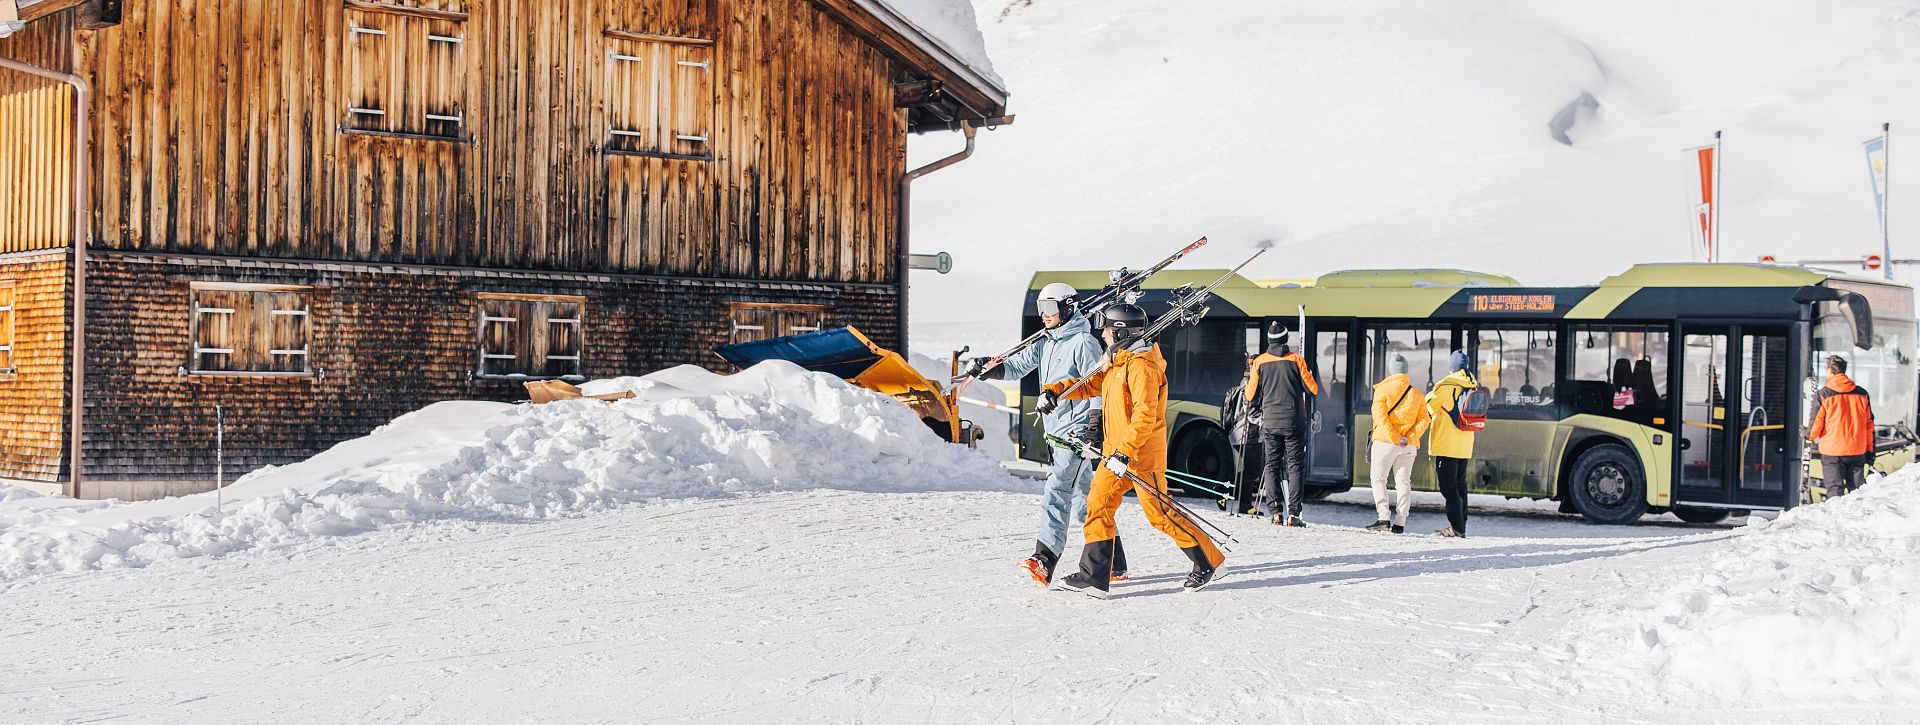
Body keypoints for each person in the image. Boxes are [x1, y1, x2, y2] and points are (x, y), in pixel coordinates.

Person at [1037, 303, 1226, 599]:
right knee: (1097, 505)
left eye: (1107, 328)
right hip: (1115, 455)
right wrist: (1056, 391)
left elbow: (1144, 415)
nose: (1103, 333)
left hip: (1139, 457)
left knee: (1160, 514)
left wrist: (1124, 453)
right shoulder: (1118, 362)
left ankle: (1209, 561)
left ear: (1121, 331)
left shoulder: (1142, 367)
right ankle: (1094, 576)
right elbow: (1090, 383)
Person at [963, 282, 1126, 586]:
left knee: (1056, 494)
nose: (1044, 315)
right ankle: (1114, 563)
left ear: (1067, 307)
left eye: (1050, 309)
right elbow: (1016, 367)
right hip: (1056, 433)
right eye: (1040, 309)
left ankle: (1045, 559)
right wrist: (988, 368)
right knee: (1084, 502)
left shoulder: (1083, 343)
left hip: (1075, 435)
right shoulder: (1046, 343)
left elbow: (1100, 387)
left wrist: (1093, 429)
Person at [1246, 322, 1319, 526]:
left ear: (1269, 340)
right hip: (1294, 422)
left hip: (1270, 422)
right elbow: (1313, 389)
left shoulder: (1259, 362)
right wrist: (1308, 374)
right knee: (1294, 466)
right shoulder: (1296, 360)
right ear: (1286, 340)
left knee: (1272, 465)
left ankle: (1275, 512)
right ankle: (1293, 514)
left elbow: (1250, 394)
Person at [1367, 355, 1428, 533]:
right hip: (1408, 446)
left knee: (1378, 479)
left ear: (1391, 370)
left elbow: (1381, 418)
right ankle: (1400, 522)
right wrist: (1408, 437)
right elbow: (1424, 419)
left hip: (1385, 443)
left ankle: (1383, 518)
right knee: (1403, 483)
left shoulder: (1382, 391)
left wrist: (1395, 437)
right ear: (1405, 370)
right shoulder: (1416, 394)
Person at [1426, 350, 1478, 538]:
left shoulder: (1446, 387)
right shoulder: (1471, 384)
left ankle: (1456, 529)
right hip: (1465, 444)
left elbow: (1427, 408)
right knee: (1460, 486)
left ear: (1451, 367)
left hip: (1447, 445)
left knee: (1448, 488)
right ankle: (1461, 525)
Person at [1807, 355, 1874, 499]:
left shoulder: (1823, 394)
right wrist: (1870, 451)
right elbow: (1869, 425)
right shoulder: (1862, 394)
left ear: (1830, 370)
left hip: (1832, 452)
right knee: (1857, 492)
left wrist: (1808, 435)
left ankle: (1835, 520)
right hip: (1857, 449)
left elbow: (1816, 423)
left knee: (1834, 491)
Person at [1222, 363, 1263, 516]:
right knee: (1253, 469)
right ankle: (1226, 493)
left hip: (1241, 433)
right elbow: (1251, 412)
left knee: (1249, 469)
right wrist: (1267, 422)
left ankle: (1240, 501)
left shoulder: (1245, 382)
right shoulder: (1251, 385)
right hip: (1246, 433)